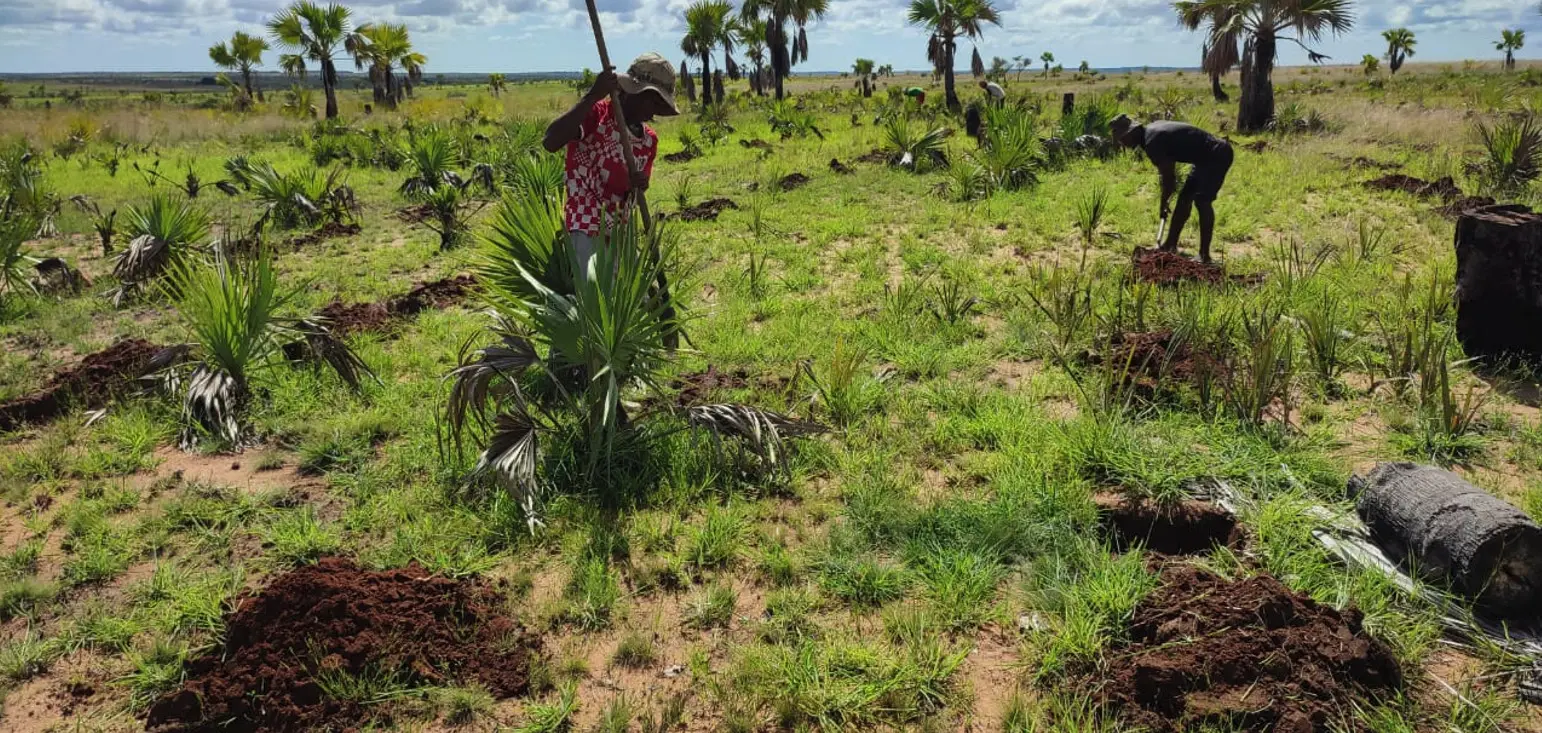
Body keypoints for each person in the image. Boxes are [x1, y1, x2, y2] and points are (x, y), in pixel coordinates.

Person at [543, 52, 679, 273]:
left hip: (619, 231)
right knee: (595, 290)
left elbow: (633, 194)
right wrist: (592, 96)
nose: (653, 109)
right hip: (586, 224)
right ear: (631, 92)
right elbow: (550, 141)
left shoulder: (648, 141)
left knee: (637, 290)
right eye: (651, 100)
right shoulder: (597, 116)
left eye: (659, 103)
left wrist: (638, 184)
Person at [1111, 113, 1233, 264]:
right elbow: (1167, 174)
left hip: (1216, 154)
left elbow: (1169, 179)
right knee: (1185, 199)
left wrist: (1164, 202)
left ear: (1132, 132)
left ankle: (1204, 255)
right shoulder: (1150, 132)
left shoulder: (1152, 142)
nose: (1122, 143)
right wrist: (1165, 199)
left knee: (1202, 201)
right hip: (1203, 158)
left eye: (1123, 138)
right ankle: (1170, 245)